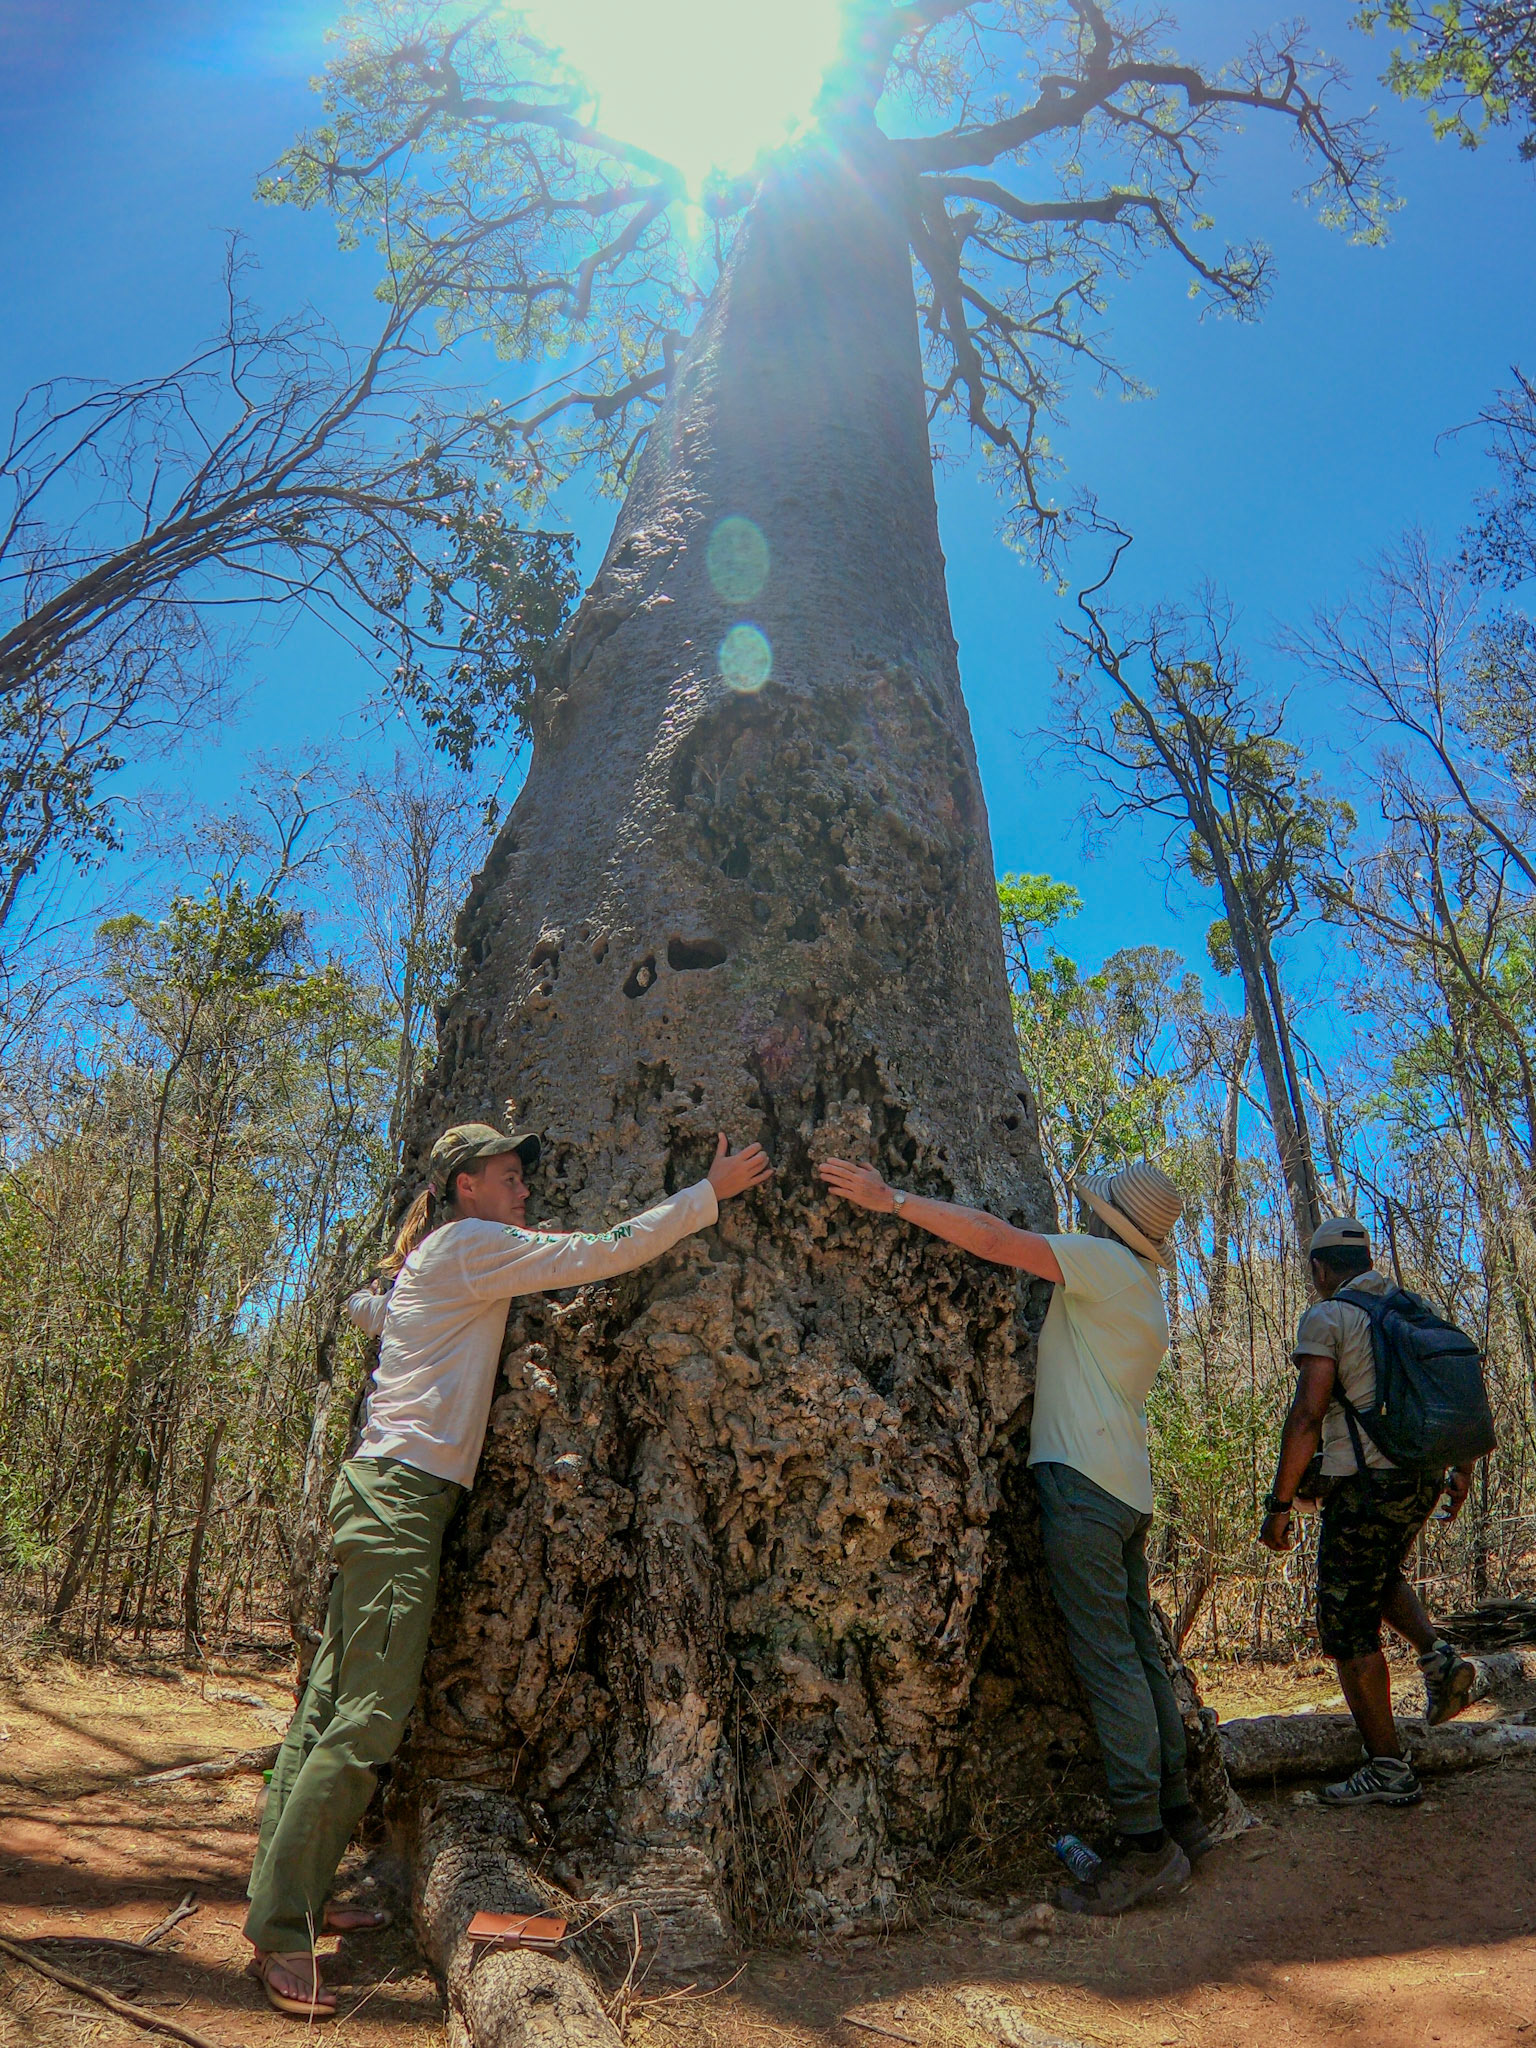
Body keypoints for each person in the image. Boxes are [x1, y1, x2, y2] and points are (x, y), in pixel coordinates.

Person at [246, 1120, 773, 2017]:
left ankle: (285, 1895)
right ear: (465, 1188)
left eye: (523, 1173)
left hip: (381, 1496)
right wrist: (706, 1197)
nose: (523, 1187)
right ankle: (281, 1936)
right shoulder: (474, 1247)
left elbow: (363, 1311)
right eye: (506, 1174)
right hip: (401, 1502)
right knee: (369, 1715)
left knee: (331, 1703)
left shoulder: (434, 1260)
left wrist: (391, 1279)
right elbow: (603, 1251)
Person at [818, 1153, 1205, 1917]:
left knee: (1109, 1663)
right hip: (1126, 1487)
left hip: (1085, 1486)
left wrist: (891, 1198)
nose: (1088, 1217)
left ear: (1109, 1223)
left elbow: (996, 1240)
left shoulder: (1102, 1262)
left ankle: (1144, 1844)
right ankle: (1182, 1814)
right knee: (1138, 1653)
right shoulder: (1151, 1292)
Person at [1260, 1216, 1476, 1808]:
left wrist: (1280, 1505)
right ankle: (1439, 1660)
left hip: (1368, 1486)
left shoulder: (1328, 1316)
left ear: (1321, 1269)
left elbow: (1307, 1415)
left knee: (1346, 1621)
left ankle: (1388, 1768)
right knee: (1376, 1578)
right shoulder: (1410, 1307)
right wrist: (1461, 1468)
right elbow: (1450, 1394)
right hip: (1421, 1477)